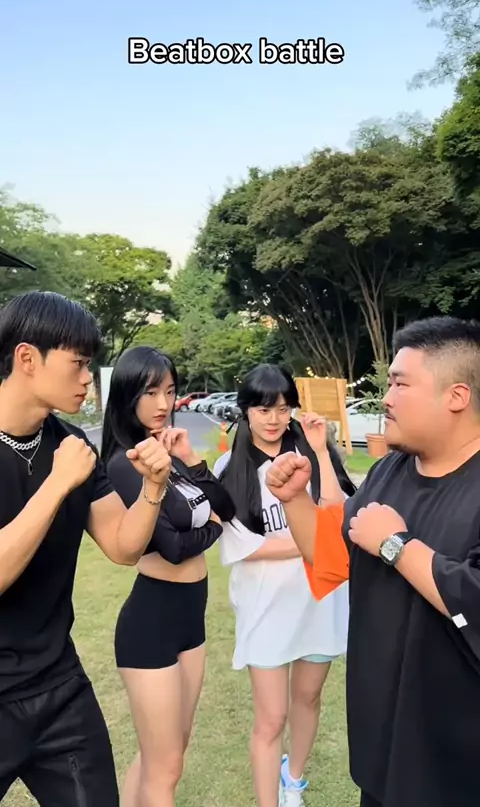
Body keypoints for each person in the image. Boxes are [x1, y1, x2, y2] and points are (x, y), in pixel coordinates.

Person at [265, 316, 480, 807]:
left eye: (401, 384)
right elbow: (330, 555)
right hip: (382, 748)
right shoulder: (387, 471)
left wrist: (398, 547)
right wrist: (295, 500)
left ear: (456, 396)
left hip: (457, 764)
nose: (386, 398)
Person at [0, 291, 173, 807]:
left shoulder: (71, 443)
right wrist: (56, 485)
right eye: (77, 364)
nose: (87, 380)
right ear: (27, 358)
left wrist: (154, 488)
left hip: (57, 685)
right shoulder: (67, 464)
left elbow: (123, 546)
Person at [213, 364, 356, 807]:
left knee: (308, 698)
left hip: (320, 600)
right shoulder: (230, 468)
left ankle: (292, 782)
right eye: (263, 409)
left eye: (282, 408)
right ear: (245, 412)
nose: (273, 419)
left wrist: (322, 451)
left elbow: (340, 515)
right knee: (271, 717)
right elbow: (244, 547)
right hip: (266, 607)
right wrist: (314, 542)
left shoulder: (311, 456)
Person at [101, 345, 235, 807]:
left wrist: (191, 459)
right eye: (151, 392)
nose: (163, 403)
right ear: (127, 395)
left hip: (190, 621)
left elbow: (227, 506)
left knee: (165, 754)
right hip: (151, 624)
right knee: (167, 768)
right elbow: (172, 548)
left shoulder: (167, 453)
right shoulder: (126, 463)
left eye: (170, 391)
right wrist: (214, 526)